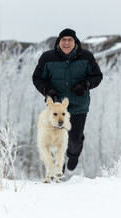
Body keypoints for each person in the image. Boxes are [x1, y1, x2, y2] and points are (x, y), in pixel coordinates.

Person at [32, 28, 103, 173]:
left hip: (78, 106)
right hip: (56, 108)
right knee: (56, 139)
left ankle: (73, 154)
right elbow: (37, 78)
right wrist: (47, 90)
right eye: (63, 40)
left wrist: (85, 85)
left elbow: (97, 76)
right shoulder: (47, 58)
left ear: (75, 42)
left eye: (70, 40)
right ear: (59, 42)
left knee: (74, 140)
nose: (66, 43)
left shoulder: (86, 57)